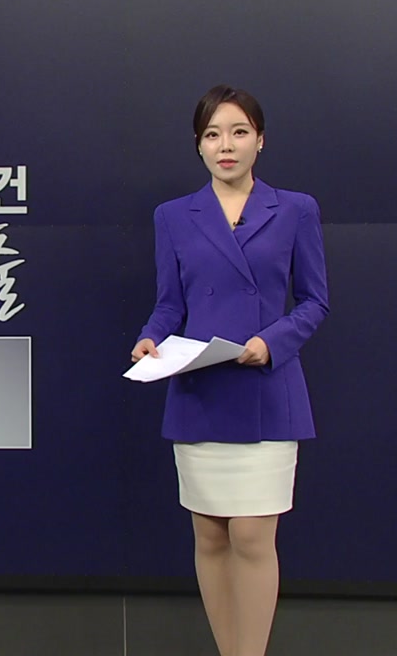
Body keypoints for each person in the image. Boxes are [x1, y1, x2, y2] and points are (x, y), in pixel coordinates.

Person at [131, 86, 329, 655]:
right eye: (213, 134)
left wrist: (271, 342)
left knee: (252, 536)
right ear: (198, 145)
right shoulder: (173, 217)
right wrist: (150, 338)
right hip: (201, 390)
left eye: (239, 132)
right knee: (211, 537)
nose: (226, 145)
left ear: (259, 141)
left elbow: (314, 301)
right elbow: (170, 304)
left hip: (267, 388)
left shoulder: (295, 210)